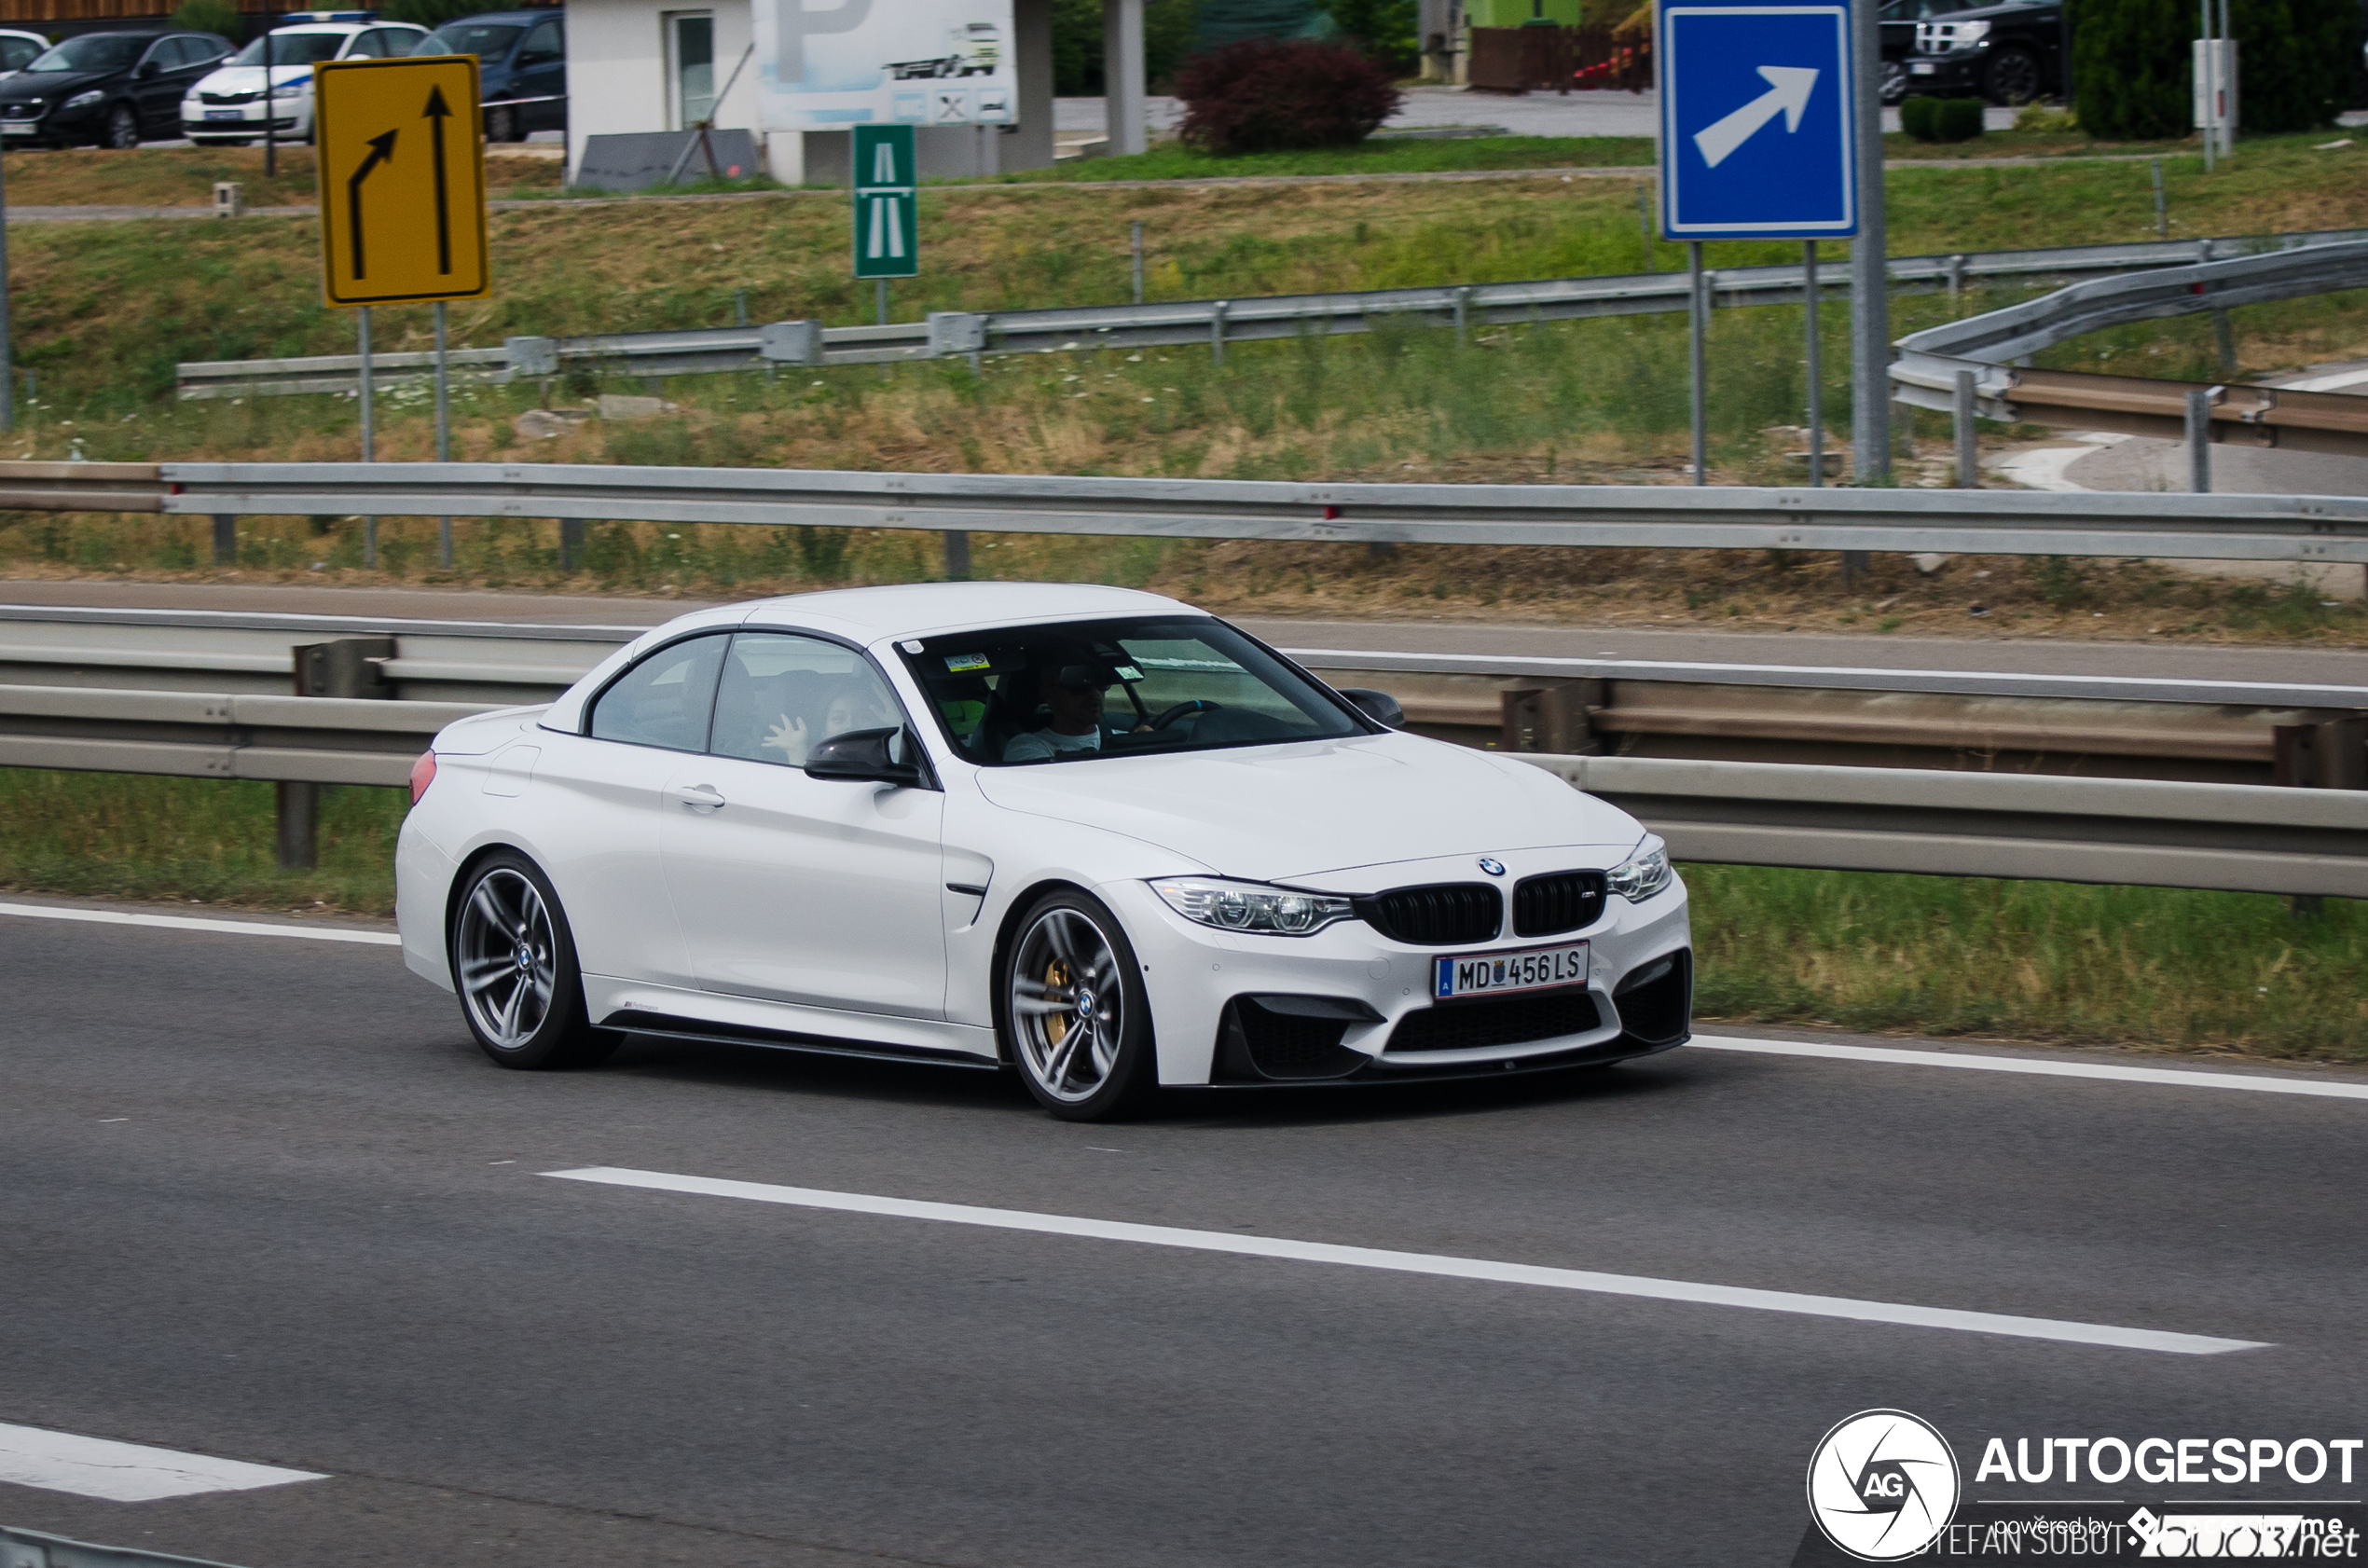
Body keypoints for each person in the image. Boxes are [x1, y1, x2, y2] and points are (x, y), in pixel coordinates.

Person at [1002, 661, 1113, 763]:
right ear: (1049, 694)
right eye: (1079, 686)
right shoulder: (1025, 747)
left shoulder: (1119, 737)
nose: (1095, 693)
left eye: (1101, 683)